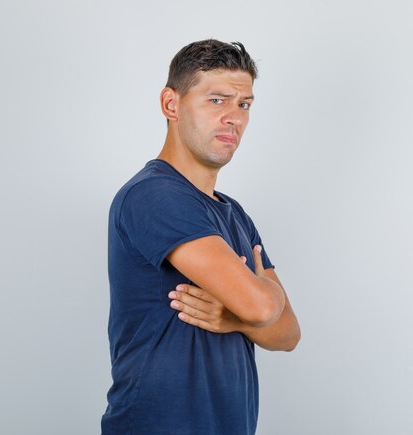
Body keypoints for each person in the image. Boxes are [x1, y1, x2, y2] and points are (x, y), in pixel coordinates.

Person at [101, 39, 301, 435]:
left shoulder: (235, 215)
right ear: (171, 105)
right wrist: (263, 297)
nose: (234, 118)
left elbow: (289, 334)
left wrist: (233, 317)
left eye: (244, 104)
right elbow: (264, 309)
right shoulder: (154, 195)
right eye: (217, 100)